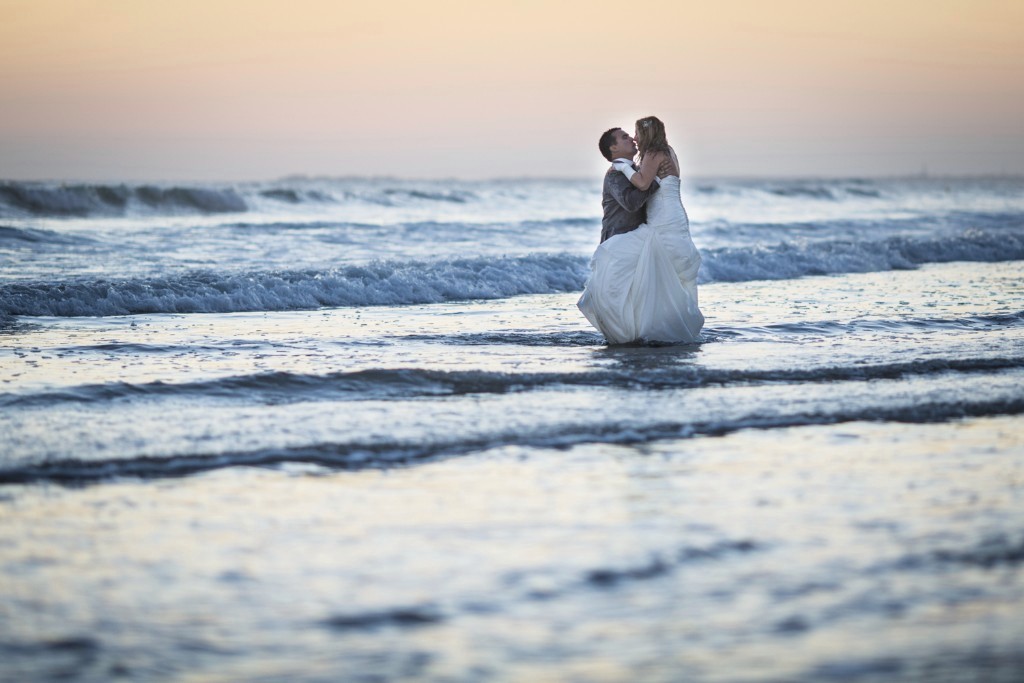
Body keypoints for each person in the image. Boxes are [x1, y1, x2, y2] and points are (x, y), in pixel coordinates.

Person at [577, 116, 704, 344]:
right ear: (613, 148)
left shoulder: (647, 159)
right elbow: (632, 201)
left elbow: (642, 185)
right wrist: (645, 177)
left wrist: (644, 175)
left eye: (634, 133)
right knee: (644, 278)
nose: (633, 138)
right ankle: (636, 327)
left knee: (655, 275)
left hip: (661, 220)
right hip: (624, 232)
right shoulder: (615, 173)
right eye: (626, 136)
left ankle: (651, 328)